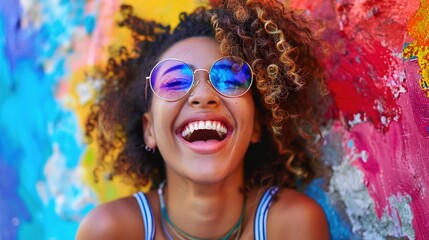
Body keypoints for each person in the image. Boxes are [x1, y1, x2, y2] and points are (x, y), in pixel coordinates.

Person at [76, 0, 330, 239]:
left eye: (230, 79)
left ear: (255, 125)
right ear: (149, 129)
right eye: (175, 81)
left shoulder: (291, 224)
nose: (204, 95)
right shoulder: (111, 230)